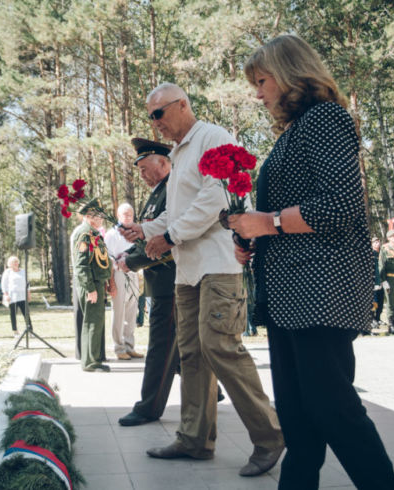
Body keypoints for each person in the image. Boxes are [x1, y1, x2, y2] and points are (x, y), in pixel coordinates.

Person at [229, 34, 394, 489]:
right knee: (299, 422)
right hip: (293, 295)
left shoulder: (325, 119)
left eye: (261, 81)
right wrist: (254, 237)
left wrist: (269, 224)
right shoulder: (295, 133)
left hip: (321, 291)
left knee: (333, 411)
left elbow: (341, 205)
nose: (257, 92)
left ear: (288, 75)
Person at [121, 82, 284, 476]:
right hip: (188, 270)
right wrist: (146, 230)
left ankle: (269, 435)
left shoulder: (213, 137)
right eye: (150, 116)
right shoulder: (178, 154)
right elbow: (180, 211)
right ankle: (194, 439)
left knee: (220, 346)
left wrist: (170, 236)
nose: (155, 123)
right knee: (192, 354)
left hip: (218, 265)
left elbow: (214, 201)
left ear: (182, 105)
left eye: (158, 113)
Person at [116, 137, 179, 426]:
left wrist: (130, 261)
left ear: (163, 163)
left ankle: (148, 407)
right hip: (160, 280)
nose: (140, 175)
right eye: (138, 169)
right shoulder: (158, 193)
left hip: (171, 280)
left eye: (144, 168)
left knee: (160, 345)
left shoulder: (172, 191)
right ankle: (210, 390)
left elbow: (160, 238)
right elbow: (144, 236)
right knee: (179, 345)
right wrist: (127, 253)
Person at [73, 198, 116, 372]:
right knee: (91, 322)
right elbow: (81, 265)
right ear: (90, 216)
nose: (101, 220)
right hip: (90, 285)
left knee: (97, 321)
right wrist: (90, 288)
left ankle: (95, 358)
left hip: (97, 282)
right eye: (99, 216)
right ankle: (90, 362)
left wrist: (105, 281)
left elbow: (100, 261)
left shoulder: (94, 233)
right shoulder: (85, 234)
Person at [104, 203, 143, 360]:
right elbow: (108, 258)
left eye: (130, 214)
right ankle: (119, 347)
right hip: (118, 274)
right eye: (125, 214)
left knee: (132, 312)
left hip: (133, 273)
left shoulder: (135, 233)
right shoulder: (112, 234)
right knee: (119, 312)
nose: (128, 217)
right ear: (118, 216)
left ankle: (129, 345)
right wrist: (111, 281)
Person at [1, 256, 32, 337]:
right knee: (13, 314)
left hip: (22, 295)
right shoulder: (7, 272)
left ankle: (30, 331)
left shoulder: (23, 271)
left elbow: (27, 283)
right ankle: (15, 331)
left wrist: (28, 293)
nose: (15, 263)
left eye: (16, 261)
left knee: (26, 313)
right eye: (13, 262)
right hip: (12, 296)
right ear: (10, 264)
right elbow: (4, 284)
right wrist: (6, 294)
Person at [70, 214, 85, 359]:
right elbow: (80, 261)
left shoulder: (94, 232)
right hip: (82, 278)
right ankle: (81, 352)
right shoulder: (81, 233)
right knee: (80, 315)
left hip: (90, 279)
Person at [380, 230, 394, 335]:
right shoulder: (385, 248)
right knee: (391, 302)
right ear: (389, 238)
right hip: (390, 279)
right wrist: (384, 282)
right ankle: (391, 325)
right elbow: (381, 266)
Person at [372, 237, 384, 328]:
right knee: (374, 302)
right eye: (375, 242)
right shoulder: (371, 254)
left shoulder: (381, 254)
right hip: (374, 282)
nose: (377, 244)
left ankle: (378, 318)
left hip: (382, 281)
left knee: (380, 301)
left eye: (378, 242)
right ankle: (372, 320)